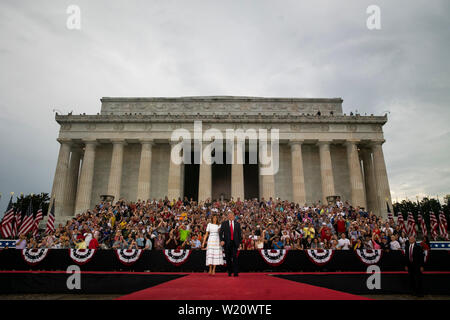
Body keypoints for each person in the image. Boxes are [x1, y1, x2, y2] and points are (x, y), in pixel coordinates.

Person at [219, 211, 242, 277]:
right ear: (228, 216)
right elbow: (220, 233)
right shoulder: (224, 223)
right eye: (229, 215)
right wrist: (222, 240)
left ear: (234, 216)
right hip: (227, 243)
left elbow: (239, 234)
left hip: (235, 243)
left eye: (232, 215)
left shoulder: (237, 224)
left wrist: (240, 243)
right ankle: (229, 272)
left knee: (235, 257)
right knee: (228, 258)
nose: (231, 217)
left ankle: (235, 272)